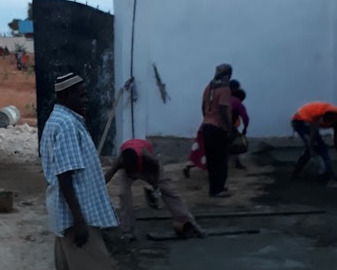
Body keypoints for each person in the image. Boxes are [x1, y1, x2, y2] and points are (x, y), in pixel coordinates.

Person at [40, 71, 139, 270]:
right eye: (80, 94)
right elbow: (65, 175)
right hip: (76, 218)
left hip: (65, 217)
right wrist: (80, 220)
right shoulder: (67, 125)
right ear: (65, 95)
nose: (85, 99)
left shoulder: (58, 121)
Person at [105, 139, 204, 240]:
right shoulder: (121, 161)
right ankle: (127, 232)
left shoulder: (147, 157)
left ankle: (190, 223)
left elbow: (156, 165)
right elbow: (109, 174)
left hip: (149, 167)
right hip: (130, 167)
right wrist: (100, 188)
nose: (134, 174)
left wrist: (156, 186)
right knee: (123, 195)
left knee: (168, 190)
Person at [291, 102, 337, 186]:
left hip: (307, 122)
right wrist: (311, 146)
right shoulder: (333, 113)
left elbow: (336, 139)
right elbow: (314, 125)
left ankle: (296, 173)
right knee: (321, 147)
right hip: (301, 120)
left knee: (315, 147)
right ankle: (329, 178)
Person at [201, 63, 233, 197]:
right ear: (227, 75)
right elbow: (223, 109)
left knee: (212, 160)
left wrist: (207, 117)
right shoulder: (225, 89)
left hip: (207, 126)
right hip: (218, 128)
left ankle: (214, 188)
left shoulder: (209, 87)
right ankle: (218, 189)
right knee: (221, 160)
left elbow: (203, 106)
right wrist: (229, 127)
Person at [231, 87, 250, 170]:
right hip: (229, 126)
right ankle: (237, 163)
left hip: (215, 124)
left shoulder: (224, 100)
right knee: (237, 143)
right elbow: (245, 118)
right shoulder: (238, 103)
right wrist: (245, 129)